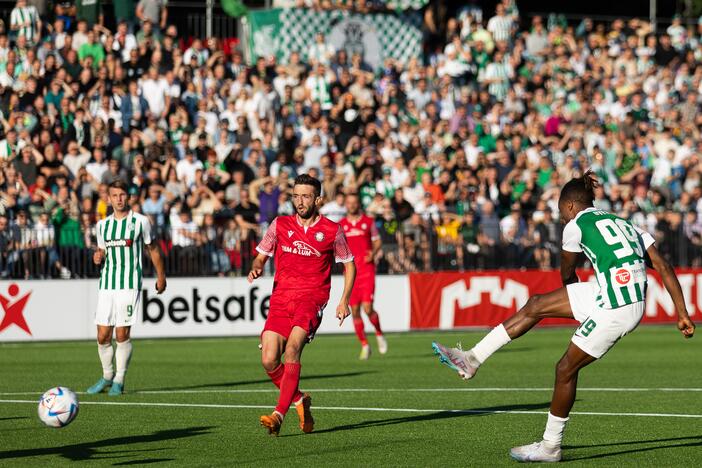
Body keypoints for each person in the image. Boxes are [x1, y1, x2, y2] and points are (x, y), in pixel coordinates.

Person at [432, 171, 695, 463]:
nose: (561, 218)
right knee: (536, 304)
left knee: (565, 369)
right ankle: (472, 358)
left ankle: (550, 447)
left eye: (560, 211)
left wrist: (575, 300)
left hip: (616, 306)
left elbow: (567, 273)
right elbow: (663, 265)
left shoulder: (575, 225)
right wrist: (682, 313)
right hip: (617, 292)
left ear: (570, 206)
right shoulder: (624, 222)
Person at [248, 174, 356, 436]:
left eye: (306, 196)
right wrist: (257, 267)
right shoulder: (280, 224)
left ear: (318, 199)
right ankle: (299, 399)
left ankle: (278, 415)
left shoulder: (332, 230)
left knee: (292, 350)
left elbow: (349, 265)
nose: (300, 201)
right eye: (296, 196)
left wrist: (343, 300)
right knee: (268, 360)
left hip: (311, 299)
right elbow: (261, 256)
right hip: (281, 299)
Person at [86, 179, 167, 396]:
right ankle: (106, 376)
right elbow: (102, 250)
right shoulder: (102, 225)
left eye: (123, 195)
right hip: (107, 284)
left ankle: (119, 380)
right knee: (102, 335)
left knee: (122, 334)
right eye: (115, 195)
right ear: (109, 199)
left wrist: (161, 275)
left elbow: (154, 249)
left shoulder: (141, 222)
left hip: (129, 285)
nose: (119, 199)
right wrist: (98, 255)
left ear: (128, 197)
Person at [339, 193, 386, 359]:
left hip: (366, 270)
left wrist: (373, 253)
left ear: (358, 204)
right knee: (355, 310)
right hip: (351, 272)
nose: (351, 205)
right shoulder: (341, 225)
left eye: (354, 202)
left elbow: (378, 241)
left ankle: (379, 333)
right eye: (349, 202)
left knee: (367, 307)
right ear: (346, 205)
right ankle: (365, 345)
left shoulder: (368, 222)